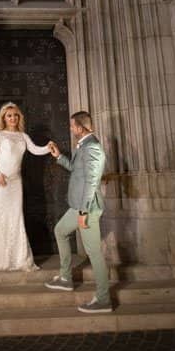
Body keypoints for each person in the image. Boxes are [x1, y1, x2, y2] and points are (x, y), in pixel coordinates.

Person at [44, 110, 111, 313]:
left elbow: (91, 182)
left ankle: (103, 299)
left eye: (72, 126)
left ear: (80, 128)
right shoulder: (83, 146)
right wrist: (60, 157)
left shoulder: (93, 148)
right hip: (79, 205)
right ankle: (65, 278)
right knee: (60, 231)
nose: (71, 129)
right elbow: (76, 168)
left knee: (94, 252)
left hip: (87, 207)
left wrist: (83, 211)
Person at [0, 102, 53, 271]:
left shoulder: (23, 136)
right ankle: (0, 259)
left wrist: (48, 147)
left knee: (16, 217)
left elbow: (35, 150)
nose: (13, 118)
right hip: (0, 181)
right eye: (9, 115)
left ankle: (19, 259)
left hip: (15, 182)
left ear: (19, 117)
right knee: (0, 217)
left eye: (15, 115)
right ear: (4, 118)